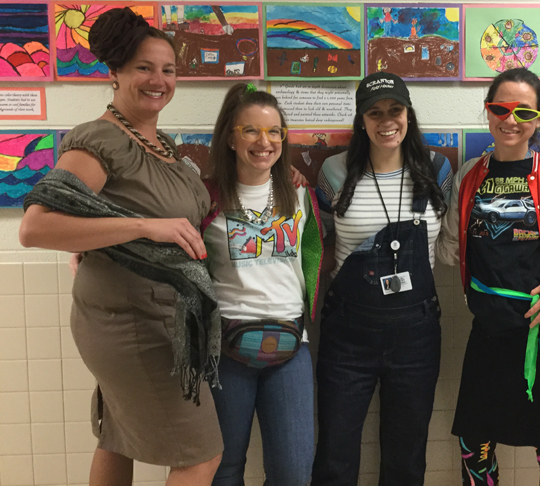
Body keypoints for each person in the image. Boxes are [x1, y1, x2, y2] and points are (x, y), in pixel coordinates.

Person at [18, 7, 223, 486]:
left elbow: (106, 214)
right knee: (201, 454)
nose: (159, 80)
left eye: (168, 70)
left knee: (117, 436)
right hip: (130, 324)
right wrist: (141, 228)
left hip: (158, 316)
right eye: (143, 68)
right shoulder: (102, 140)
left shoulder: (162, 145)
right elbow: (36, 227)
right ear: (115, 73)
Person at [437, 67, 540, 485]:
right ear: (488, 111)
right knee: (474, 445)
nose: (511, 120)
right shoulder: (468, 176)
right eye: (500, 109)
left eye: (524, 112)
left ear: (539, 118)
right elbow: (449, 249)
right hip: (488, 333)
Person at [311, 71, 453, 486]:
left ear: (408, 114)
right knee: (335, 454)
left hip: (417, 335)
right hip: (347, 335)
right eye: (374, 113)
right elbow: (321, 244)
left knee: (406, 457)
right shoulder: (334, 172)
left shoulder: (436, 169)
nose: (386, 121)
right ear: (361, 120)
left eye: (395, 110)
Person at [199, 83, 323, 486]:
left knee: (294, 473)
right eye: (250, 130)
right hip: (226, 349)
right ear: (230, 138)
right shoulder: (206, 197)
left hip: (291, 346)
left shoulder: (299, 193)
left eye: (273, 131)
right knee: (223, 469)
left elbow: (316, 253)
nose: (264, 142)